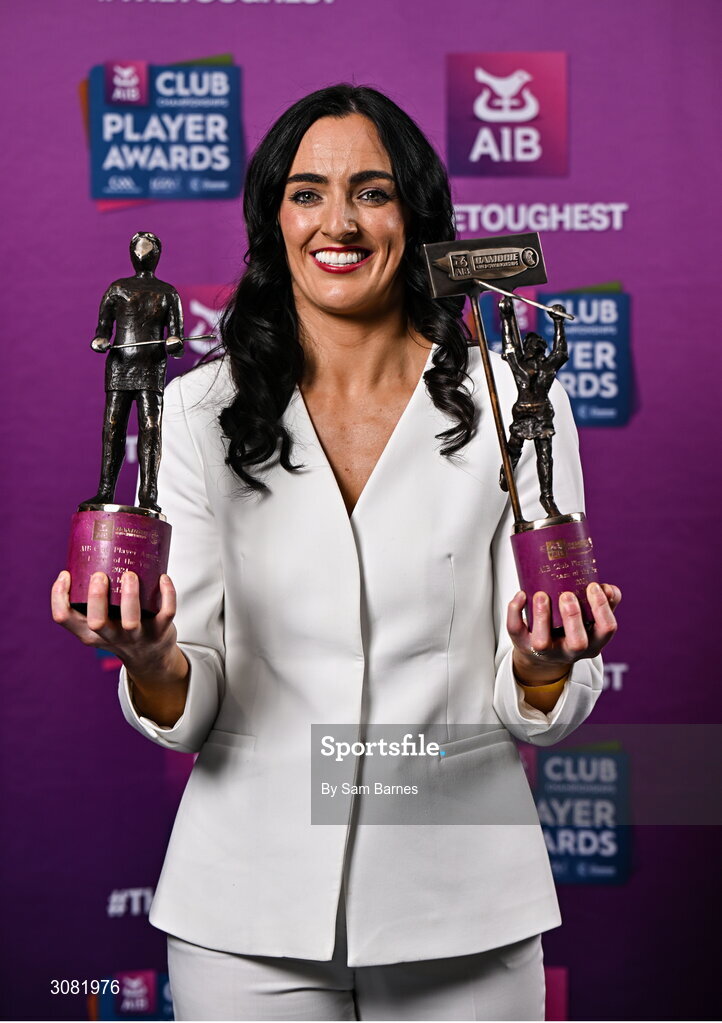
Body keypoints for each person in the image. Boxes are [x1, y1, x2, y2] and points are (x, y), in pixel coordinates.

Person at [52, 84, 621, 1021]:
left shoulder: (513, 403)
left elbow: (540, 705)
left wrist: (541, 665)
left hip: (465, 912)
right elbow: (185, 702)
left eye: (373, 190)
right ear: (274, 217)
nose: (340, 221)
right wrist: (151, 658)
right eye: (308, 192)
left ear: (417, 216)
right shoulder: (193, 413)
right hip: (245, 913)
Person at [83, 231, 184, 512]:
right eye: (139, 249)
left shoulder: (168, 292)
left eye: (148, 249)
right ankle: (105, 491)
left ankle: (148, 495)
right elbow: (102, 331)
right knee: (113, 428)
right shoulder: (117, 289)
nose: (143, 254)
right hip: (120, 368)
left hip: (151, 368)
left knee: (151, 429)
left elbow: (177, 341)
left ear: (157, 256)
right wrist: (100, 341)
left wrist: (174, 343)